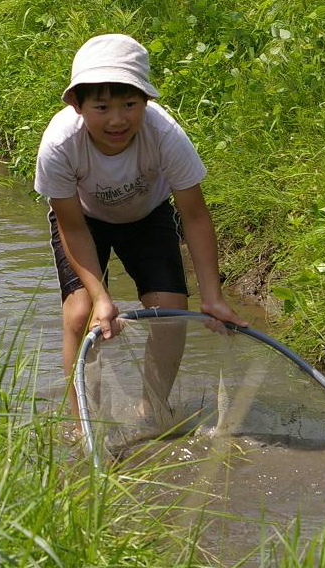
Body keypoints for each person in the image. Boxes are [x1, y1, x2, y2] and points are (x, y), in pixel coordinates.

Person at [34, 33, 248, 431]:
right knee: (81, 314)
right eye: (101, 107)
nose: (117, 120)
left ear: (146, 102)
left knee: (170, 311)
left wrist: (213, 296)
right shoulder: (60, 144)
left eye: (129, 105)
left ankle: (153, 407)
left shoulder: (165, 135)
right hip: (85, 220)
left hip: (147, 215)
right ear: (77, 105)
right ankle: (81, 422)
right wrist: (101, 297)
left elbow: (196, 217)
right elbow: (71, 226)